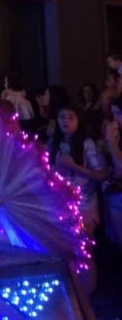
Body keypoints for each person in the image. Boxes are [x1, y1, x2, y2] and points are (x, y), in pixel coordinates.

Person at [48, 108, 109, 237]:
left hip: (84, 204)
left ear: (78, 121)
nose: (66, 120)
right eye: (62, 117)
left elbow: (101, 175)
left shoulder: (87, 143)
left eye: (71, 117)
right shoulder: (53, 142)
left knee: (84, 246)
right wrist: (55, 168)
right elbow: (45, 172)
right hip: (59, 203)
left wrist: (74, 167)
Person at [103, 97, 122, 249]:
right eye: (113, 113)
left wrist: (110, 139)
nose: (115, 118)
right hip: (114, 190)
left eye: (119, 113)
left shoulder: (114, 137)